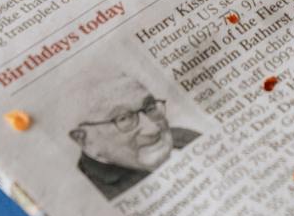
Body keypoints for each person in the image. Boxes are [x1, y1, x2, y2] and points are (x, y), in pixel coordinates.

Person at [69, 84, 198, 198]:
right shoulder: (90, 196)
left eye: (150, 107)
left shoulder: (185, 136)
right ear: (85, 141)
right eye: (123, 119)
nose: (152, 129)